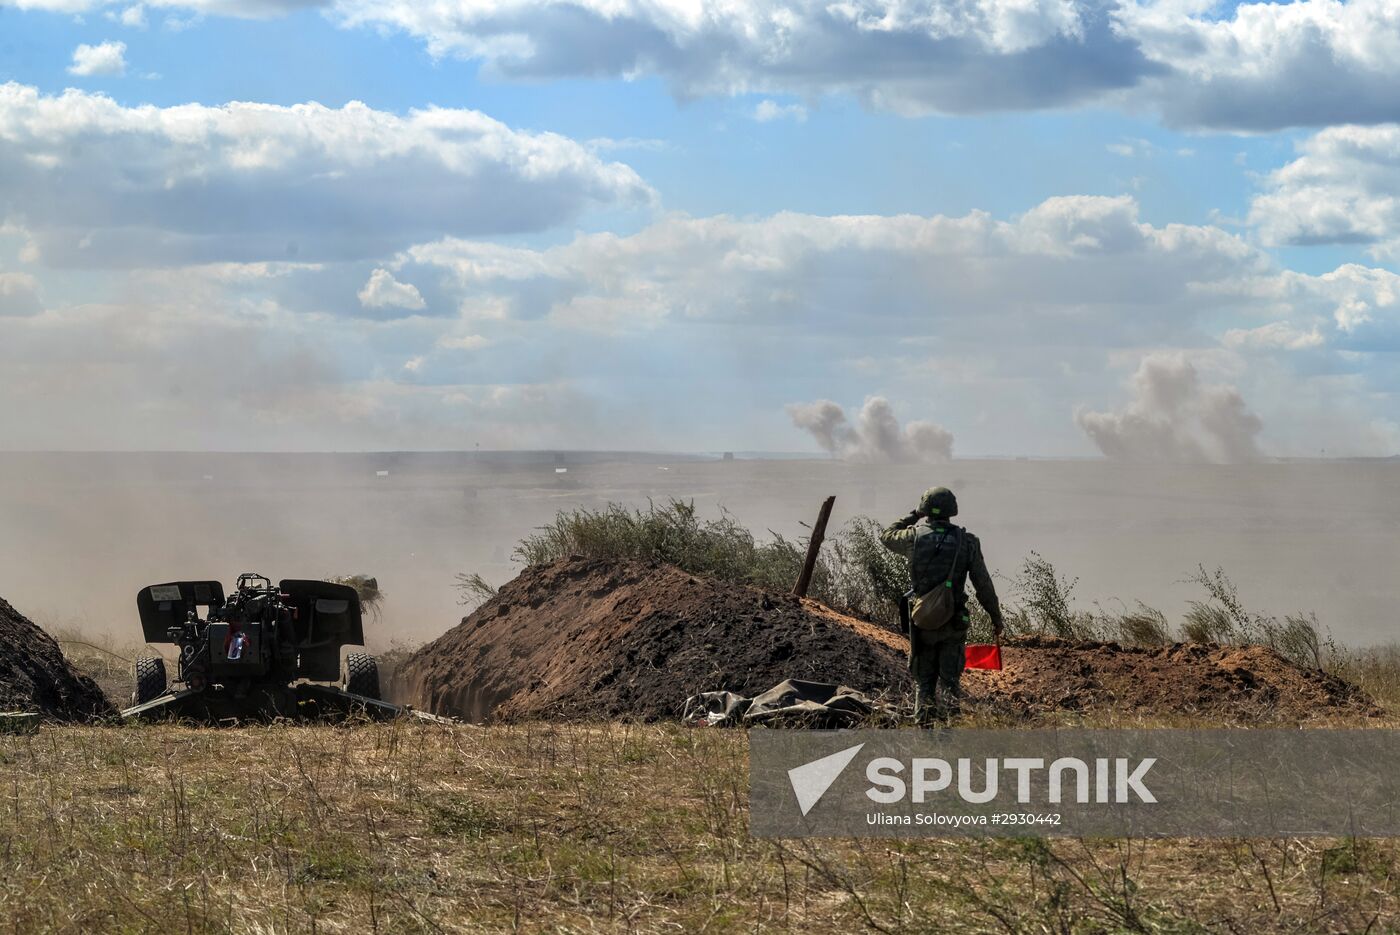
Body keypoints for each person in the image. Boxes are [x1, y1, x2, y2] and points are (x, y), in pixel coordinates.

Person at [880, 486, 1003, 721]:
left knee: (924, 683)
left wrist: (914, 514)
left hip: (923, 621)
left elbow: (887, 535)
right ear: (952, 510)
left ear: (926, 509)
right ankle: (950, 738)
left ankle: (924, 734)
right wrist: (995, 617)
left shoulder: (913, 537)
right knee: (950, 683)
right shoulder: (967, 542)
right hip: (953, 623)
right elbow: (983, 585)